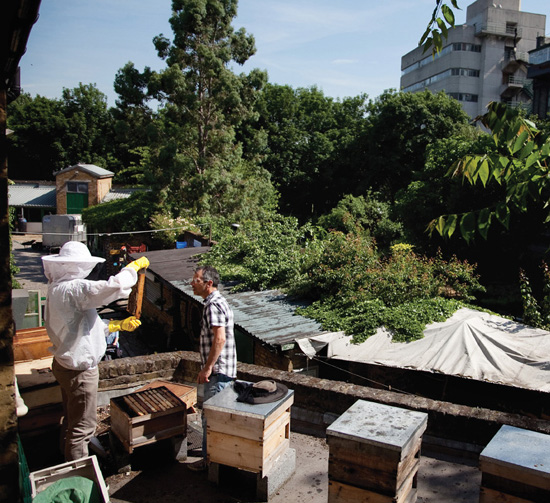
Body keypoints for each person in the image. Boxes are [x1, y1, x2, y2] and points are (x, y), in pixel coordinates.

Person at [42, 241, 149, 461]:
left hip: (63, 364)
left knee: (72, 419)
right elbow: (113, 287)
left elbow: (80, 326)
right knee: (83, 429)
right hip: (79, 371)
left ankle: (63, 460)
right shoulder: (74, 289)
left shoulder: (55, 289)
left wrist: (115, 326)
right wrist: (132, 269)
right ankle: (79, 479)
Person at [189, 265, 236, 471]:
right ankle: (217, 460)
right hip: (224, 370)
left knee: (212, 419)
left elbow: (220, 338)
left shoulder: (212, 305)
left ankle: (210, 464)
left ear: (208, 284)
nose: (192, 283)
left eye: (196, 280)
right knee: (218, 418)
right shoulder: (219, 302)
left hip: (218, 372)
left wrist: (207, 368)